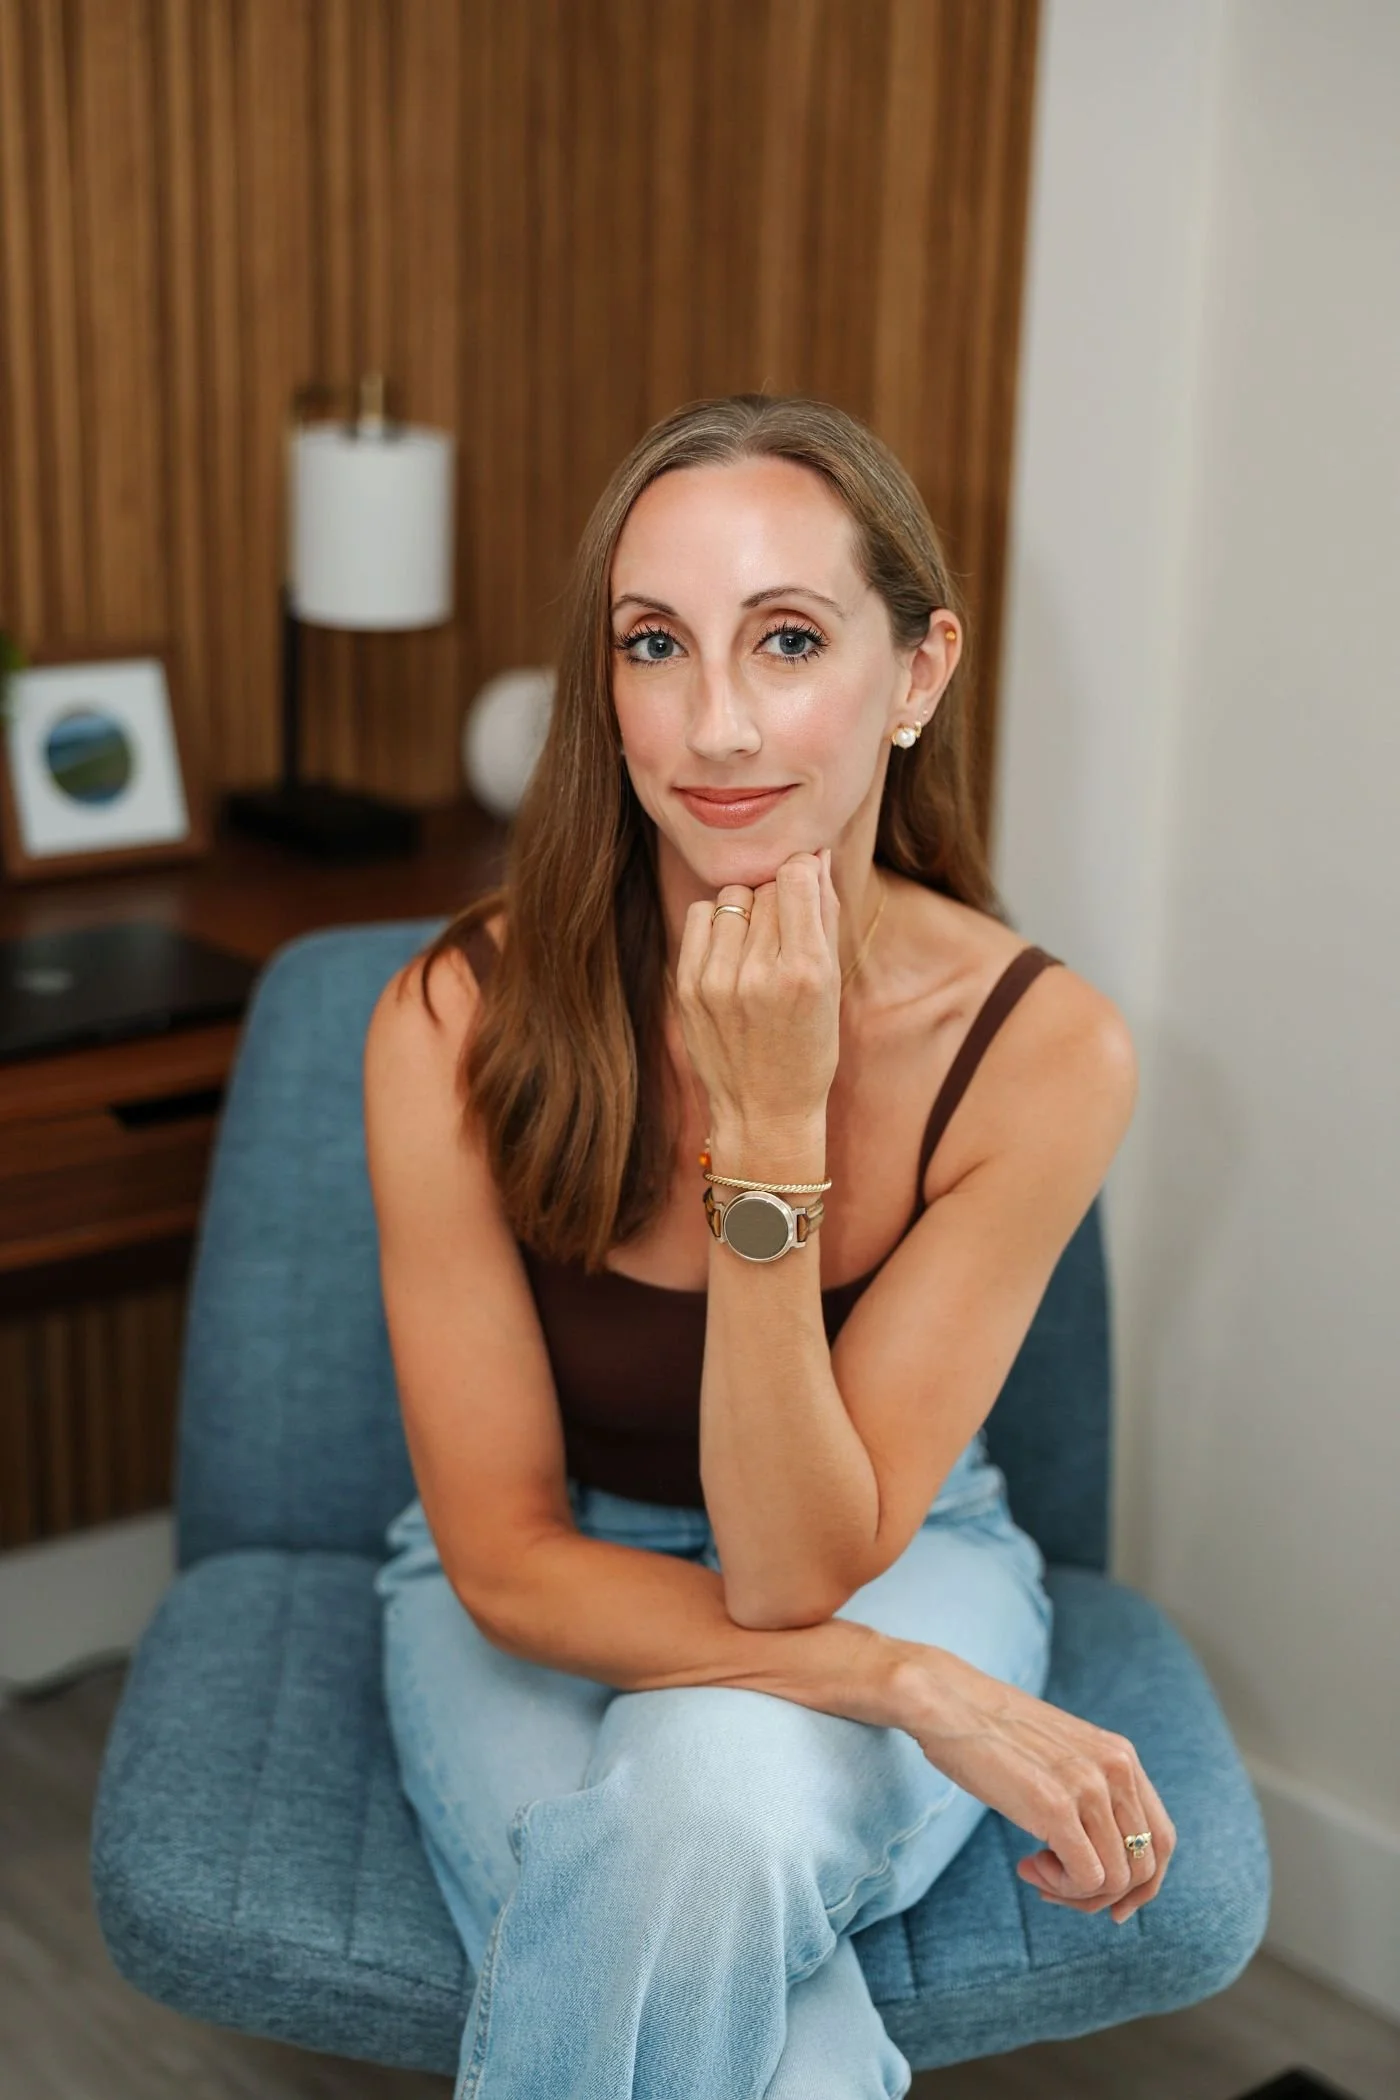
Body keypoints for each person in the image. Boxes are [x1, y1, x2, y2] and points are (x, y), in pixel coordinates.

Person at [362, 392, 1175, 2100]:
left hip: (891, 1549)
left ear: (920, 673)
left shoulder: (1041, 1052)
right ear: (606, 686)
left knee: (699, 1812)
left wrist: (772, 1126)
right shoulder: (455, 1015)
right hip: (547, 1573)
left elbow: (797, 1568)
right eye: (655, 645)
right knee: (749, 1970)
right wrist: (911, 1689)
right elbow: (506, 1560)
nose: (717, 726)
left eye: (789, 639)